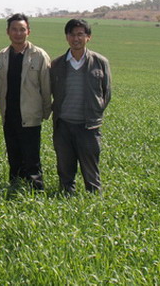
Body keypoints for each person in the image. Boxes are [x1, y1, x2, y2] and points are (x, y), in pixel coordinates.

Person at [50, 19, 112, 194]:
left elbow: (107, 93)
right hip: (63, 126)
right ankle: (66, 198)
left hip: (88, 127)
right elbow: (51, 90)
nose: (76, 38)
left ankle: (94, 200)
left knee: (91, 170)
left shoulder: (100, 62)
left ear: (88, 37)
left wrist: (95, 111)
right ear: (66, 37)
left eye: (80, 34)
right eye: (72, 34)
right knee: (65, 169)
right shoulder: (57, 64)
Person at [0, 13, 51, 190]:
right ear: (7, 32)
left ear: (28, 31)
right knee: (14, 157)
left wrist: (45, 112)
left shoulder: (39, 55)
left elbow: (46, 87)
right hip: (9, 115)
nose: (18, 33)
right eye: (14, 29)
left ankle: (36, 190)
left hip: (30, 115)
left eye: (22, 29)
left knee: (31, 158)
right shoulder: (3, 56)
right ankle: (15, 189)